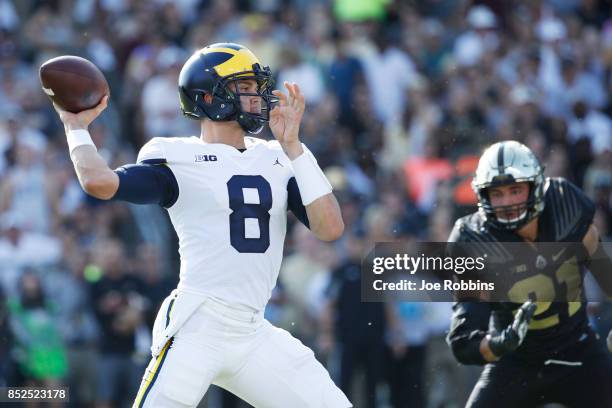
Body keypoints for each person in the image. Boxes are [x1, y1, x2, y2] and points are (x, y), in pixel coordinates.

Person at [52, 43, 351, 408]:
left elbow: (330, 228)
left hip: (253, 329)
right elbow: (99, 182)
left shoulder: (279, 156)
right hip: (199, 323)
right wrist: (75, 127)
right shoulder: (179, 156)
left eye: (256, 86)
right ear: (209, 96)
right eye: (245, 87)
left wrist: (294, 147)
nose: (257, 96)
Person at [446, 140, 612, 408]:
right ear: (482, 196)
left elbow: (604, 270)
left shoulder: (564, 205)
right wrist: (500, 344)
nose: (507, 202)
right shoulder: (473, 240)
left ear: (535, 186)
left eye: (515, 190)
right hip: (516, 363)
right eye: (497, 194)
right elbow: (464, 342)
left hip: (577, 351)